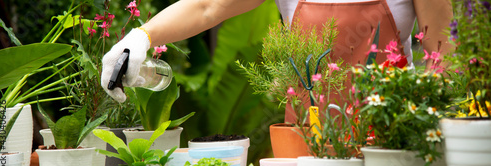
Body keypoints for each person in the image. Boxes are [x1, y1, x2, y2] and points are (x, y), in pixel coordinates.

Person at [101, 0, 453, 105]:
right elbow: (208, 7)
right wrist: (141, 37)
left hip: (390, 134)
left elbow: (443, 57)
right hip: (304, 135)